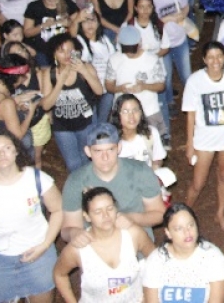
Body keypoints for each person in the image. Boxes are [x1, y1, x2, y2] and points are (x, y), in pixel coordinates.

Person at [0, 128, 63, 303]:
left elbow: (58, 210)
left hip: (38, 256)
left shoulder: (38, 179)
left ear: (16, 151)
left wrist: (46, 245)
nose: (2, 153)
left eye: (7, 148)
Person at [60, 122, 165, 245]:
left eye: (110, 149)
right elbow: (67, 229)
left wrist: (132, 219)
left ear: (119, 147)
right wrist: (75, 234)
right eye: (98, 151)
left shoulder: (140, 171)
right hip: (97, 248)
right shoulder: (76, 181)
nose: (105, 157)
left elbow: (159, 214)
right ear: (88, 151)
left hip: (137, 244)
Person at [183, 41, 224, 233]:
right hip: (205, 139)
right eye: (210, 57)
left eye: (219, 56)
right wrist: (189, 143)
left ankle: (220, 213)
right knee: (198, 182)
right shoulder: (195, 81)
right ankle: (185, 212)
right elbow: (190, 114)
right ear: (204, 59)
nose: (215, 61)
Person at [53, 187, 156, 303]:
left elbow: (156, 261)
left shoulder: (133, 235)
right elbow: (59, 274)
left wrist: (150, 296)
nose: (105, 215)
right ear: (86, 216)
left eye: (110, 208)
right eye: (98, 211)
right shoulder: (79, 248)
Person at [143, 203, 224, 303]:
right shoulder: (156, 260)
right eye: (179, 228)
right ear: (168, 233)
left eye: (190, 225)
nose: (187, 232)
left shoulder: (213, 258)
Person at [41, 33, 104, 172]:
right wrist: (60, 82)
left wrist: (84, 71)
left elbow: (99, 91)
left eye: (70, 50)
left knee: (87, 159)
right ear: (54, 54)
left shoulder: (86, 68)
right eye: (61, 51)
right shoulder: (49, 74)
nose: (66, 55)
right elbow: (46, 105)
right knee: (72, 164)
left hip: (86, 122)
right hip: (62, 126)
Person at [110, 94, 166, 169]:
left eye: (135, 110)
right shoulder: (110, 140)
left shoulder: (150, 133)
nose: (131, 116)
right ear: (117, 115)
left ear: (141, 113)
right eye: (125, 111)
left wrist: (155, 167)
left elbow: (157, 159)